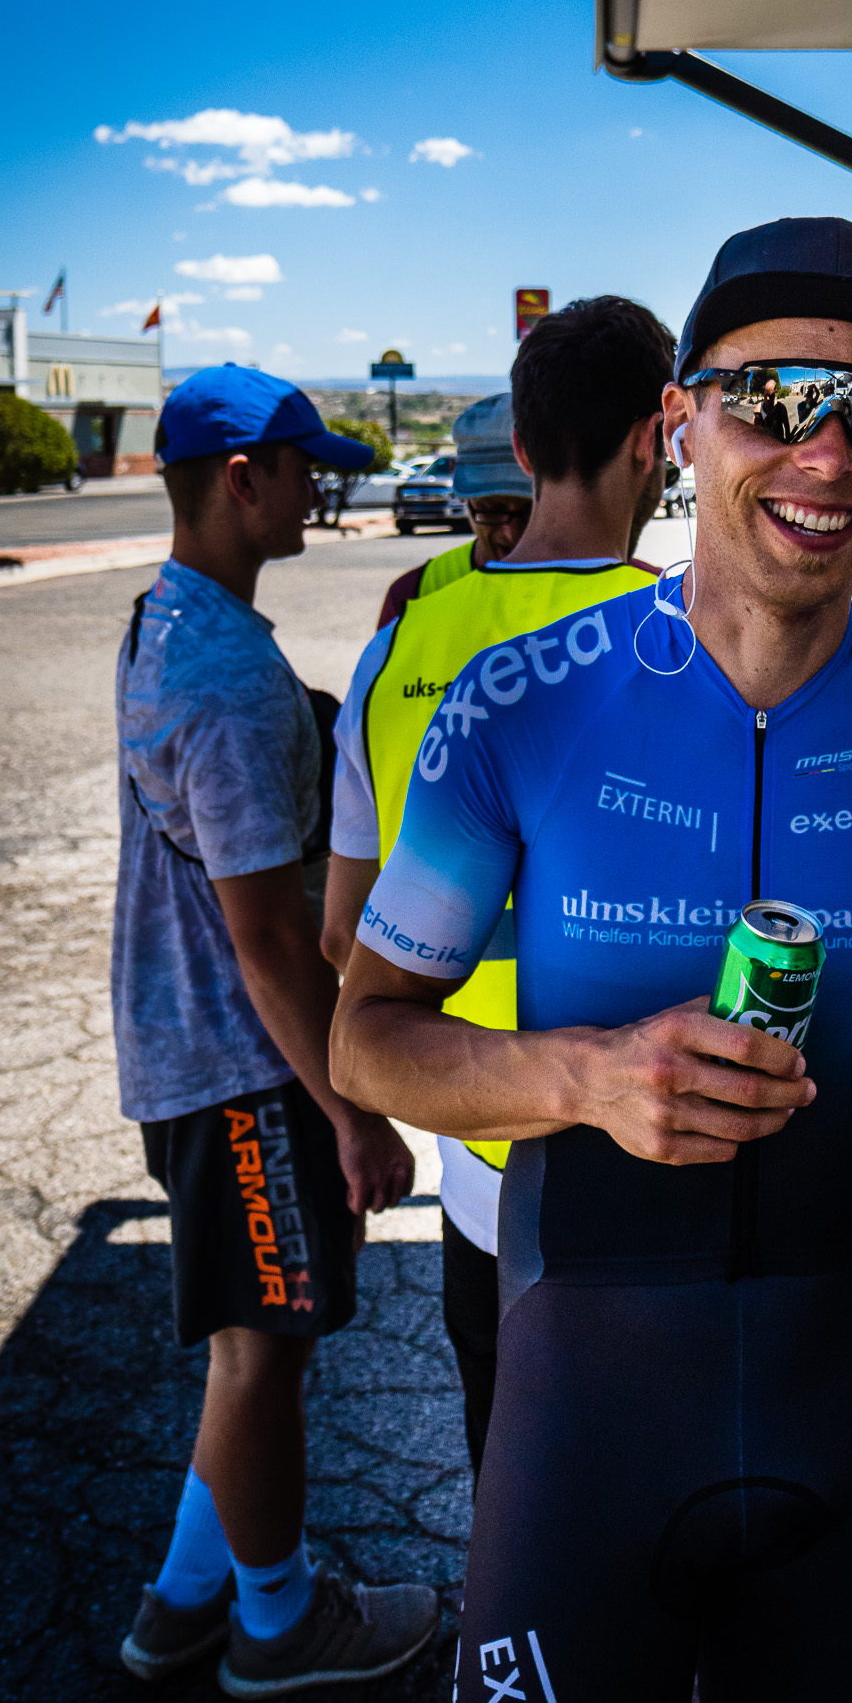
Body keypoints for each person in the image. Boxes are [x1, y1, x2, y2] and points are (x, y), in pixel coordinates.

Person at [330, 218, 852, 1703]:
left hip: (845, 1428)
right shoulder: (521, 705)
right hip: (584, 1429)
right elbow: (366, 1032)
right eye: (776, 397)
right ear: (680, 422)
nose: (828, 452)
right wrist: (584, 1079)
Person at [111, 365, 437, 1698]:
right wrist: (356, 1109)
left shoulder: (167, 615)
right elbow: (265, 938)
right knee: (264, 1351)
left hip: (192, 1047)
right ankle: (280, 1622)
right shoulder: (230, 681)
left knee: (250, 1343)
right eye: (307, 470)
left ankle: (186, 1599)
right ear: (244, 479)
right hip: (246, 1064)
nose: (323, 492)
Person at [321, 301, 674, 1479]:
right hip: (655, 1146)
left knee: (518, 1496)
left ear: (519, 448)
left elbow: (342, 931)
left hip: (476, 1147)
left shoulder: (399, 644)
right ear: (656, 437)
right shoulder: (691, 635)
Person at [376, 427, 532, 628]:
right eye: (491, 509)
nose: (511, 533)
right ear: (462, 493)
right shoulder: (412, 594)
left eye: (531, 511)